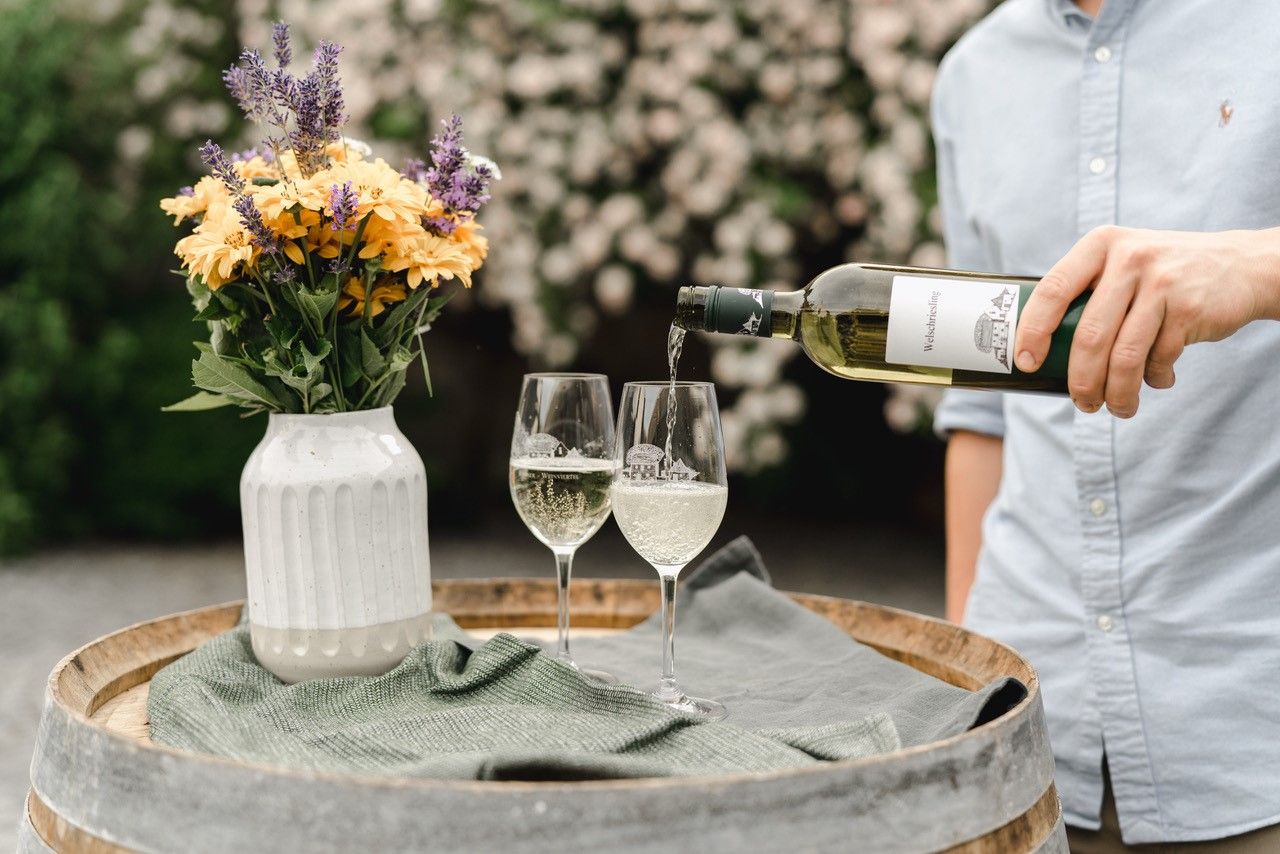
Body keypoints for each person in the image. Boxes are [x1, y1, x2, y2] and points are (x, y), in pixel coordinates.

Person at [931, 0, 1280, 850]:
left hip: (1251, 732)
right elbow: (982, 411)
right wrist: (962, 689)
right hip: (1025, 733)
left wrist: (1255, 264)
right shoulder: (973, 74)